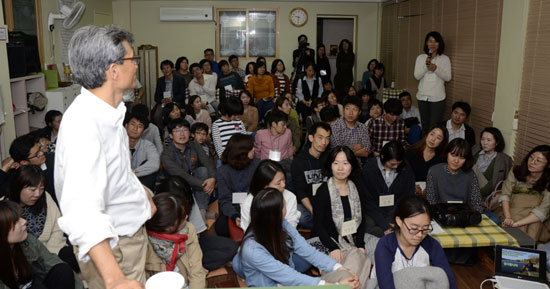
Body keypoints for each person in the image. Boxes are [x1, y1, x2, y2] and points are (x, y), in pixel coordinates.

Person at [55, 25, 156, 289]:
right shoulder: (85, 124)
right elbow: (82, 210)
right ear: (113, 70)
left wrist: (140, 192)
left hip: (129, 235)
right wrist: (115, 279)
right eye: (133, 60)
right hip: (112, 248)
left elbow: (112, 173)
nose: (136, 66)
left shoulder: (111, 113)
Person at [232, 188, 360, 288]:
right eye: (283, 204)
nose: (286, 203)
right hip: (274, 285)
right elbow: (288, 276)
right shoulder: (252, 249)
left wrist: (340, 268)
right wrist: (335, 286)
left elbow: (307, 251)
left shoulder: (282, 224)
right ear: (276, 213)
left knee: (345, 275)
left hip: (288, 277)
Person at [370, 195, 457, 289]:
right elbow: (385, 284)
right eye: (414, 228)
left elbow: (447, 278)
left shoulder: (431, 244)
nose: (419, 235)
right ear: (399, 221)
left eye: (425, 228)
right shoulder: (385, 246)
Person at [157, 176, 238, 271]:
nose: (186, 216)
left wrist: (195, 253)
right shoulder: (157, 210)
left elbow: (196, 235)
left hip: (192, 242)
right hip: (172, 252)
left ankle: (196, 266)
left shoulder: (187, 198)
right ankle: (195, 267)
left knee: (232, 247)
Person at [0, 200, 84, 289]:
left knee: (62, 269)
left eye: (21, 217)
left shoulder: (28, 241)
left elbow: (52, 262)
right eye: (16, 221)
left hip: (37, 284)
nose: (24, 221)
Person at [313, 146, 367, 262]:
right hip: (330, 242)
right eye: (336, 163)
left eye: (345, 163)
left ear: (352, 166)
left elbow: (362, 220)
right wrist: (333, 248)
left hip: (353, 239)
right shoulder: (323, 191)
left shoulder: (357, 188)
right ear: (330, 165)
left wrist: (360, 245)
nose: (340, 168)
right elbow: (319, 225)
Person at [144, 193, 206, 289]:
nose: (186, 217)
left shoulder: (188, 230)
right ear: (168, 228)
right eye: (181, 218)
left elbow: (196, 271)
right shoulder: (144, 242)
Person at [161, 118, 216, 219]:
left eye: (185, 130)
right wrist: (204, 185)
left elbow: (208, 162)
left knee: (203, 170)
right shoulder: (166, 154)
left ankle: (201, 212)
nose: (182, 134)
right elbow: (181, 175)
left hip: (194, 184)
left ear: (190, 133)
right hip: (176, 187)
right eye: (177, 131)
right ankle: (197, 215)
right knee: (177, 182)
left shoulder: (194, 145)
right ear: (171, 135)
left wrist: (212, 178)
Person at [8, 165, 66, 255]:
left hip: (54, 251)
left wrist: (49, 255)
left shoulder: (45, 197)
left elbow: (57, 228)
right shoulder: (5, 208)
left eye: (41, 188)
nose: (37, 194)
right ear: (18, 187)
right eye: (32, 189)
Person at [361, 141, 415, 237]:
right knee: (369, 228)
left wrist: (393, 218)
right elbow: (367, 201)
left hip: (397, 211)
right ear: (382, 157)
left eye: (399, 163)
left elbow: (406, 197)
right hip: (374, 213)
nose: (396, 167)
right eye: (392, 164)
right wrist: (384, 224)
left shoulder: (405, 168)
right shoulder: (369, 169)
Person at [500, 145, 550, 241]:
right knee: (517, 218)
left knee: (535, 223)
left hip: (535, 217)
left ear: (548, 165)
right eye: (531, 157)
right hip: (512, 210)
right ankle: (523, 250)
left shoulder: (548, 181)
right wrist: (508, 218)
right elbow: (505, 195)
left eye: (538, 160)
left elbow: (542, 211)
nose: (532, 162)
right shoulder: (516, 171)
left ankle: (526, 251)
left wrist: (516, 224)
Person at [215, 134, 260, 237]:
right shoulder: (223, 171)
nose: (254, 149)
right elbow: (224, 200)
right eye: (251, 147)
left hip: (252, 207)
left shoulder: (257, 165)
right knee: (221, 227)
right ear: (242, 152)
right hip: (232, 208)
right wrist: (235, 216)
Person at [240, 159, 301, 232]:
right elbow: (248, 231)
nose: (283, 185)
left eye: (284, 179)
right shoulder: (249, 203)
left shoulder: (290, 197)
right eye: (278, 183)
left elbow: (291, 227)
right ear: (265, 186)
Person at [425, 138, 484, 213]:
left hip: (463, 214)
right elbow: (431, 202)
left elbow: (477, 204)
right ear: (447, 154)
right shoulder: (434, 171)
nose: (456, 161)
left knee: (494, 218)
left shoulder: (470, 174)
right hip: (440, 213)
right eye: (453, 155)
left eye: (461, 158)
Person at [291, 122, 331, 229]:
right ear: (311, 138)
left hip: (326, 202)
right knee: (302, 216)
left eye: (327, 138)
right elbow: (301, 193)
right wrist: (316, 213)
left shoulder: (330, 158)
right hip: (307, 204)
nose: (324, 142)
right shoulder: (299, 161)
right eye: (320, 138)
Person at [414, 31, 452, 130]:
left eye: (436, 42)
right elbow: (417, 76)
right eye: (430, 41)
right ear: (426, 43)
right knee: (424, 125)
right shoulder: (421, 57)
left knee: (434, 127)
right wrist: (426, 66)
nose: (432, 44)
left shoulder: (444, 59)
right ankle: (423, 145)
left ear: (440, 44)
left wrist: (435, 69)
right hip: (422, 96)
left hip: (437, 98)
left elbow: (448, 78)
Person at [0, 134, 52, 201]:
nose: (42, 153)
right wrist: (4, 169)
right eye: (37, 154)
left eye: (40, 149)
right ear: (24, 162)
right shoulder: (17, 178)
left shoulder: (52, 161)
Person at [472, 127, 513, 200]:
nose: (484, 143)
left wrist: (476, 193)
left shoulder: (503, 159)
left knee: (473, 167)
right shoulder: (475, 151)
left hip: (483, 190)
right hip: (469, 183)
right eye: (482, 139)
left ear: (497, 142)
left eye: (489, 140)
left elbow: (494, 183)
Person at [124, 111, 160, 190]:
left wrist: (130, 173)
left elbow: (154, 164)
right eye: (133, 124)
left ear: (143, 131)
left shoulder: (148, 145)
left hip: (142, 183)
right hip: (121, 183)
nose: (135, 128)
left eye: (140, 126)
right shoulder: (117, 144)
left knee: (150, 169)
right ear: (126, 126)